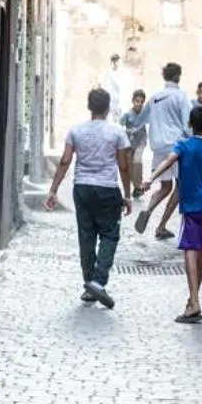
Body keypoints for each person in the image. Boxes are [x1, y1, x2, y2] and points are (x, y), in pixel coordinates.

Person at [45, 86, 134, 307]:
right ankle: (98, 281)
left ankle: (89, 284)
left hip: (82, 188)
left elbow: (65, 161)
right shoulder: (117, 133)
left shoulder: (76, 131)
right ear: (107, 108)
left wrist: (53, 190)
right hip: (107, 189)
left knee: (86, 235)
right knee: (110, 235)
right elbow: (123, 166)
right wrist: (127, 194)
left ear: (89, 107)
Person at [141, 103, 202, 322]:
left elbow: (168, 161)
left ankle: (194, 300)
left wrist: (151, 178)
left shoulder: (183, 145)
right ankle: (193, 298)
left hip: (191, 207)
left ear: (190, 124)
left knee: (190, 248)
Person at [134, 61, 190, 239]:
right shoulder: (181, 96)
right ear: (178, 76)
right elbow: (187, 125)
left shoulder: (154, 98)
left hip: (158, 147)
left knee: (165, 186)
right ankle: (161, 226)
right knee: (181, 186)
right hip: (176, 145)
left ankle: (148, 209)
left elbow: (140, 120)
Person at [120, 88, 149, 195]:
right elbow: (120, 126)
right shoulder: (127, 114)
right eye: (137, 101)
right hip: (130, 143)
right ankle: (136, 187)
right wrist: (128, 131)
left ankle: (138, 185)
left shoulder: (145, 114)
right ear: (133, 101)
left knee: (137, 160)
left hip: (141, 141)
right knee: (130, 165)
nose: (139, 104)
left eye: (141, 102)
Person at [100, 52, 125, 119]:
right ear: (111, 62)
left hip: (118, 101)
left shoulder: (122, 73)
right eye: (114, 61)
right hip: (110, 100)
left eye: (117, 61)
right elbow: (102, 85)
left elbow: (123, 88)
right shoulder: (108, 73)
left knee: (118, 118)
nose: (115, 63)